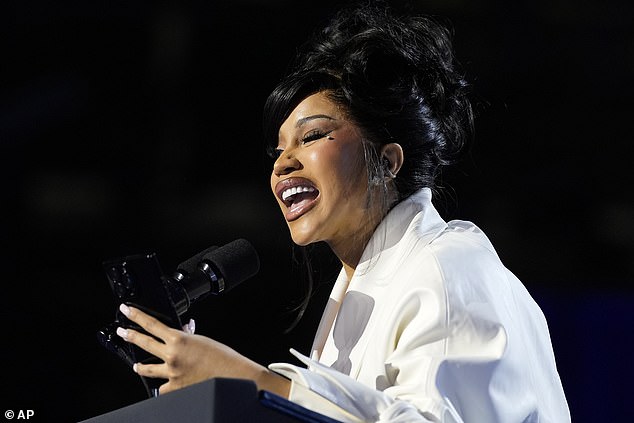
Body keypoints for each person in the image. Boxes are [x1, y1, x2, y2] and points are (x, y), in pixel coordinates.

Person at [115, 2, 571, 421]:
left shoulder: (448, 263)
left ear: (387, 162)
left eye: (312, 137)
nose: (282, 164)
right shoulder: (352, 296)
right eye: (278, 151)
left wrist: (256, 384)